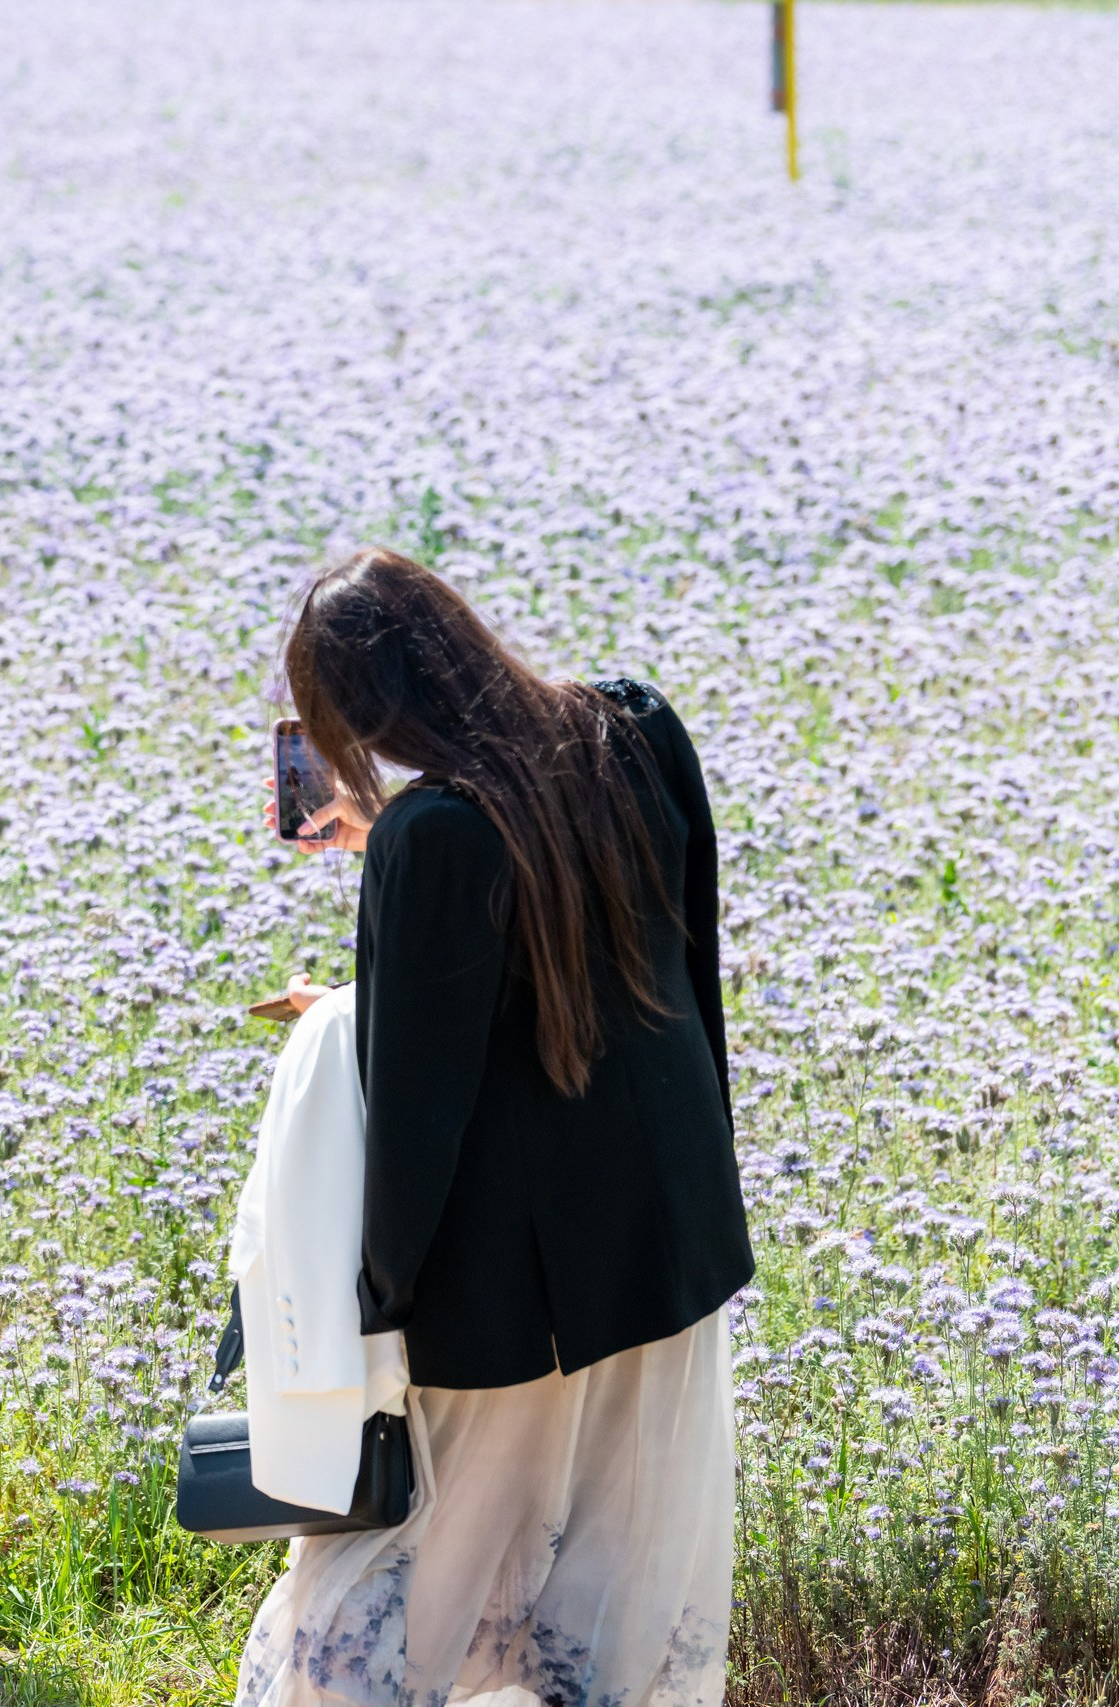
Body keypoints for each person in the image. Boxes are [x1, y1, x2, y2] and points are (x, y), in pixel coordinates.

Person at [243, 548, 754, 1707]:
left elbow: (421, 1107)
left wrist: (379, 1299)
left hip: (516, 1286)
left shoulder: (435, 834)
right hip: (664, 1233)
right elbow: (676, 960)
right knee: (620, 1567)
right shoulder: (628, 730)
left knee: (427, 1569)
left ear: (360, 713)